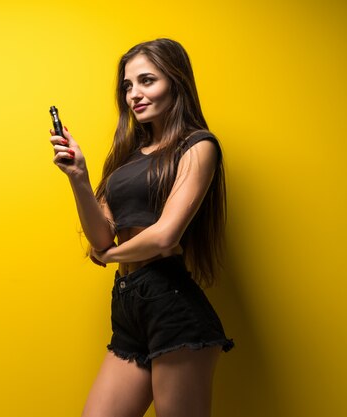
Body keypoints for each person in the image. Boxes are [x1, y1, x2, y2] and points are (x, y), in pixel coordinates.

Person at [49, 38, 234, 417]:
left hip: (171, 303)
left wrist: (111, 254)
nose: (134, 94)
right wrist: (79, 178)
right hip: (128, 306)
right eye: (128, 86)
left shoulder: (198, 146)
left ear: (176, 82)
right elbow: (101, 234)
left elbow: (166, 235)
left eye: (147, 81)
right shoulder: (126, 158)